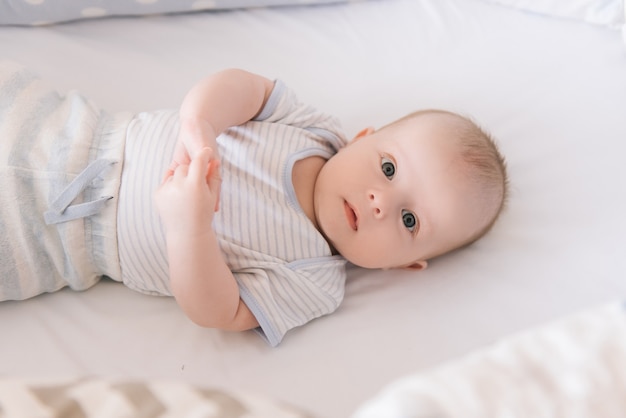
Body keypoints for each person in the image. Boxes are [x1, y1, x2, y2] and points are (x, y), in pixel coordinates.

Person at [0, 63, 507, 346]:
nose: (380, 202)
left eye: (409, 219)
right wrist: (200, 125)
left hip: (50, 243)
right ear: (362, 137)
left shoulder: (314, 282)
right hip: (65, 127)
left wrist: (190, 229)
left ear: (406, 265)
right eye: (389, 169)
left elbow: (220, 312)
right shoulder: (312, 130)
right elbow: (244, 86)